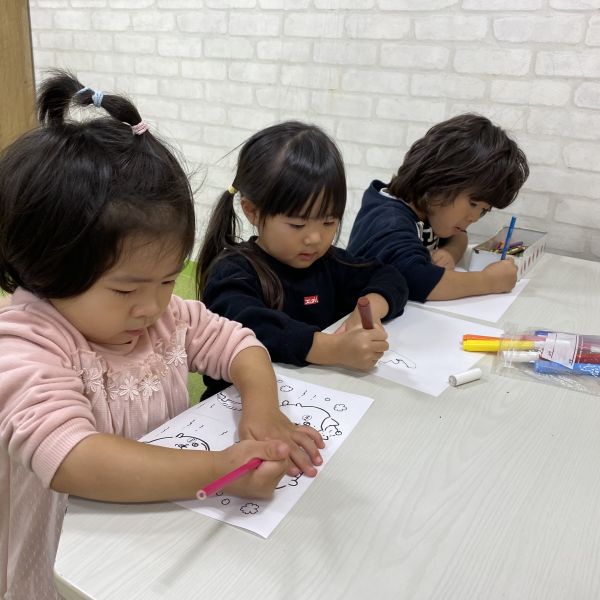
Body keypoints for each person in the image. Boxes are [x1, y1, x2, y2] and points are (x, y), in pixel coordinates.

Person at [0, 72, 323, 600]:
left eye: (169, 279)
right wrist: (218, 469)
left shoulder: (163, 316)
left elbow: (240, 344)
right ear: (46, 267)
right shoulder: (27, 342)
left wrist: (261, 409)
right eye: (125, 289)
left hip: (159, 538)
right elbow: (73, 457)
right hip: (69, 563)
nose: (152, 306)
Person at [196, 121, 408, 398]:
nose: (315, 238)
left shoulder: (328, 262)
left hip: (316, 397)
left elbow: (389, 276)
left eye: (329, 222)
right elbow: (256, 329)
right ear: (252, 211)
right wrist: (334, 349)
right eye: (298, 225)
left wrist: (367, 310)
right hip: (237, 406)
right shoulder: (233, 271)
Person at [347, 113, 530, 302]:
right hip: (352, 315)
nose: (474, 217)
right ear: (439, 181)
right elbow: (419, 281)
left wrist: (450, 252)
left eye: (484, 210)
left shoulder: (430, 212)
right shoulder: (389, 220)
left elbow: (460, 236)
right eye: (473, 203)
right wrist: (489, 281)